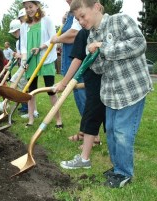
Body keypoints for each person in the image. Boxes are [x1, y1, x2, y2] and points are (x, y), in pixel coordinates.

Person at [70, 0, 153, 188]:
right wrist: (93, 56)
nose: (81, 22)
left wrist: (104, 48)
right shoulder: (91, 37)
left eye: (83, 16)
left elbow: (139, 44)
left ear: (97, 7)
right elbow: (99, 69)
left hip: (131, 90)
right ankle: (117, 168)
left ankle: (124, 173)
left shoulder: (120, 20)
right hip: (110, 93)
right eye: (77, 19)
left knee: (123, 133)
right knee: (112, 132)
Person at [56, 28, 105, 172]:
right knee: (90, 114)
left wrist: (64, 82)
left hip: (100, 83)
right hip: (92, 81)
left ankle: (86, 156)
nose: (81, 20)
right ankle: (86, 151)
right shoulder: (86, 32)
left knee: (93, 114)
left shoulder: (85, 32)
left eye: (81, 16)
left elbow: (78, 59)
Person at [51, 0, 89, 141]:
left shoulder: (82, 9)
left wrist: (57, 38)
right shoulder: (71, 13)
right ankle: (84, 131)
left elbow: (75, 34)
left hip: (78, 64)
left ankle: (93, 135)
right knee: (80, 98)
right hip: (72, 62)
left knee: (83, 98)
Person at [20, 0, 62, 128]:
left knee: (51, 90)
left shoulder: (47, 20)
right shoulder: (24, 26)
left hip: (45, 59)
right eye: (26, 8)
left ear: (37, 6)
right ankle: (31, 120)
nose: (28, 10)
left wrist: (41, 47)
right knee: (31, 92)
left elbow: (53, 38)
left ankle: (58, 120)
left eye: (31, 7)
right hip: (31, 61)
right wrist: (24, 61)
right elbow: (23, 46)